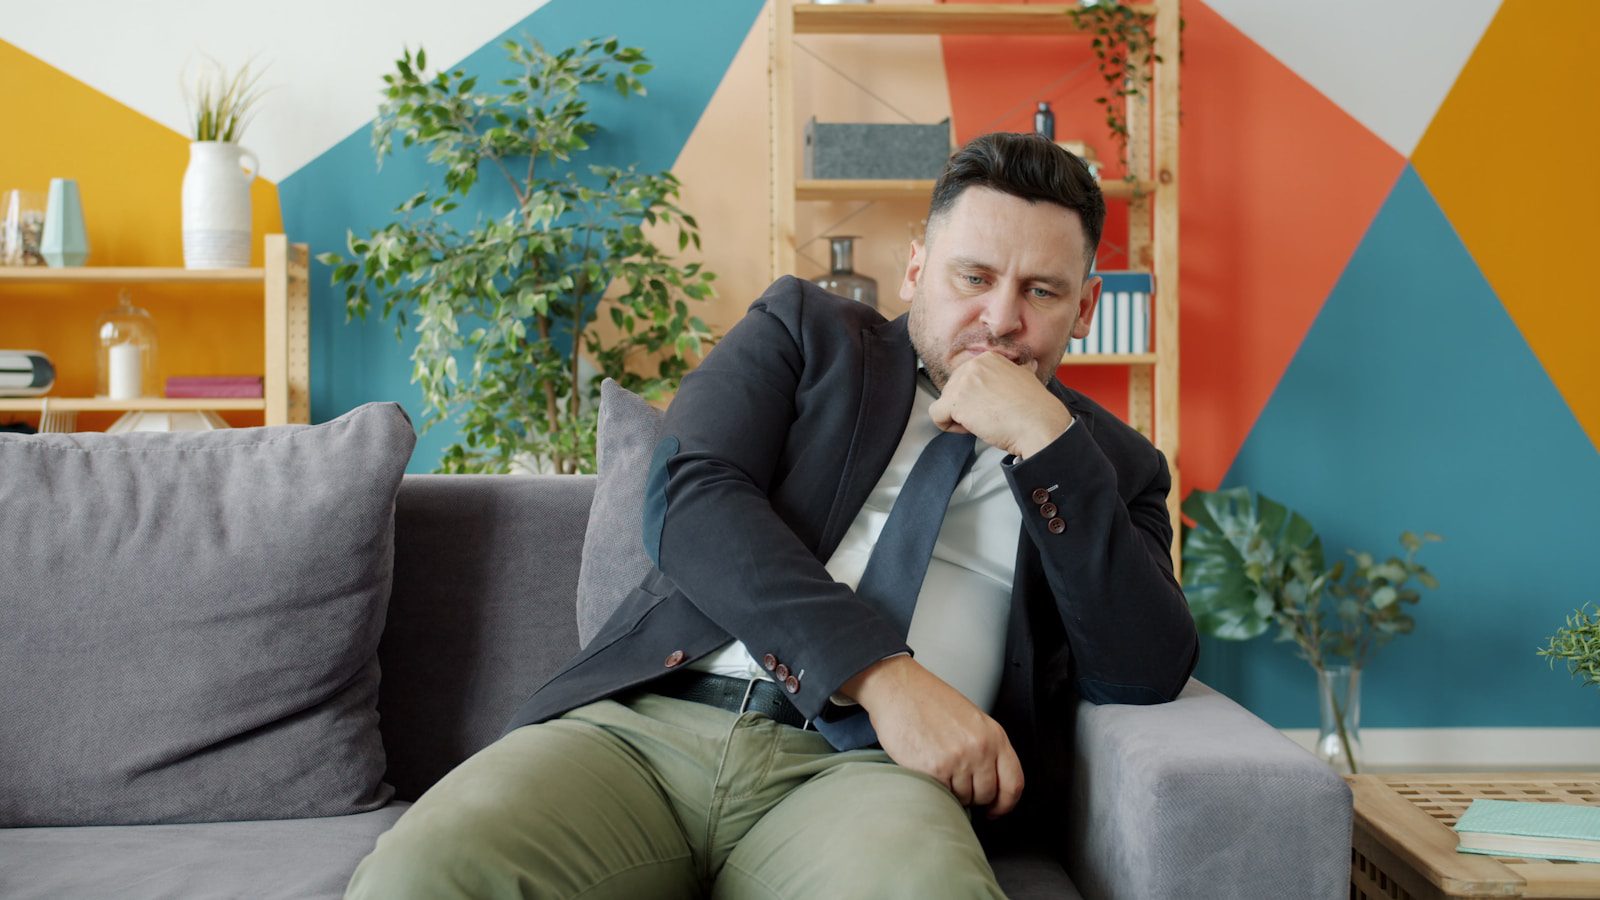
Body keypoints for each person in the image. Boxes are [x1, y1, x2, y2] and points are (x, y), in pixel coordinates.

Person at [347, 131, 1198, 899]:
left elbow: (1142, 667)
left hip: (872, 782)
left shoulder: (1110, 468)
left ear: (1083, 310)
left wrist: (1048, 444)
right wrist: (884, 677)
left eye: (1042, 292)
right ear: (915, 269)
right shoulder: (805, 331)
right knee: (422, 875)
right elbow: (692, 497)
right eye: (972, 278)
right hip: (648, 731)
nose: (1001, 320)